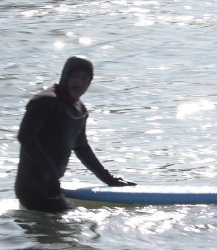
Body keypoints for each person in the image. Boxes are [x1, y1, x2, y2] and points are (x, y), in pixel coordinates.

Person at [15, 56, 135, 213]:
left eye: (85, 78)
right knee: (72, 225)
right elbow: (25, 136)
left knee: (72, 227)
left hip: (50, 184)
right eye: (75, 76)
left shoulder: (80, 109)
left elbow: (82, 148)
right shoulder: (45, 101)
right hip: (32, 186)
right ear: (64, 76)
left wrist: (109, 179)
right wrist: (50, 174)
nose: (79, 83)